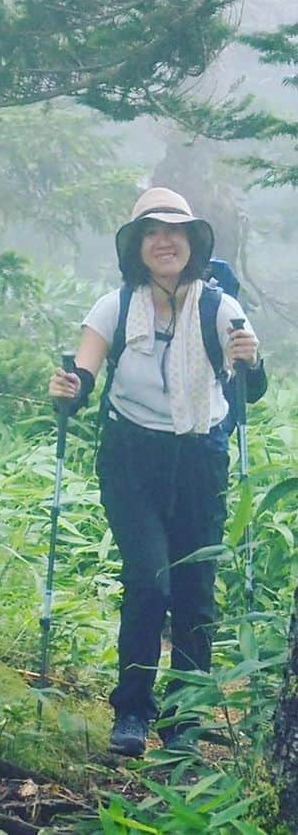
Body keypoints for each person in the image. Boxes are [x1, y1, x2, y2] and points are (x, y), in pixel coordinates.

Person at [48, 187, 263, 757]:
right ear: (136, 246)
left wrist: (251, 358)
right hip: (131, 460)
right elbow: (84, 377)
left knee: (194, 594)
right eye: (151, 231)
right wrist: (69, 389)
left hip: (201, 457)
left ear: (192, 242)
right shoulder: (115, 307)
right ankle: (133, 712)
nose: (163, 240)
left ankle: (185, 718)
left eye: (175, 230)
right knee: (148, 580)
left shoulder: (221, 308)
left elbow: (251, 389)